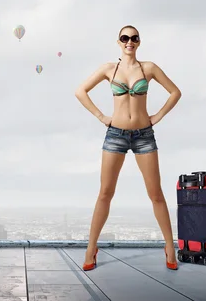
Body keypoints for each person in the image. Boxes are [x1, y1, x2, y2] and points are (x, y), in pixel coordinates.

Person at [74, 25, 182, 271]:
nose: (129, 42)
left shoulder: (149, 68)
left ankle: (169, 246)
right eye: (125, 38)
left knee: (155, 194)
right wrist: (102, 117)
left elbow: (175, 92)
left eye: (134, 38)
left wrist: (158, 116)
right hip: (116, 135)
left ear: (139, 42)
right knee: (105, 193)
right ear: (118, 42)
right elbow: (80, 92)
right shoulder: (108, 69)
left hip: (144, 135)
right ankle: (91, 248)